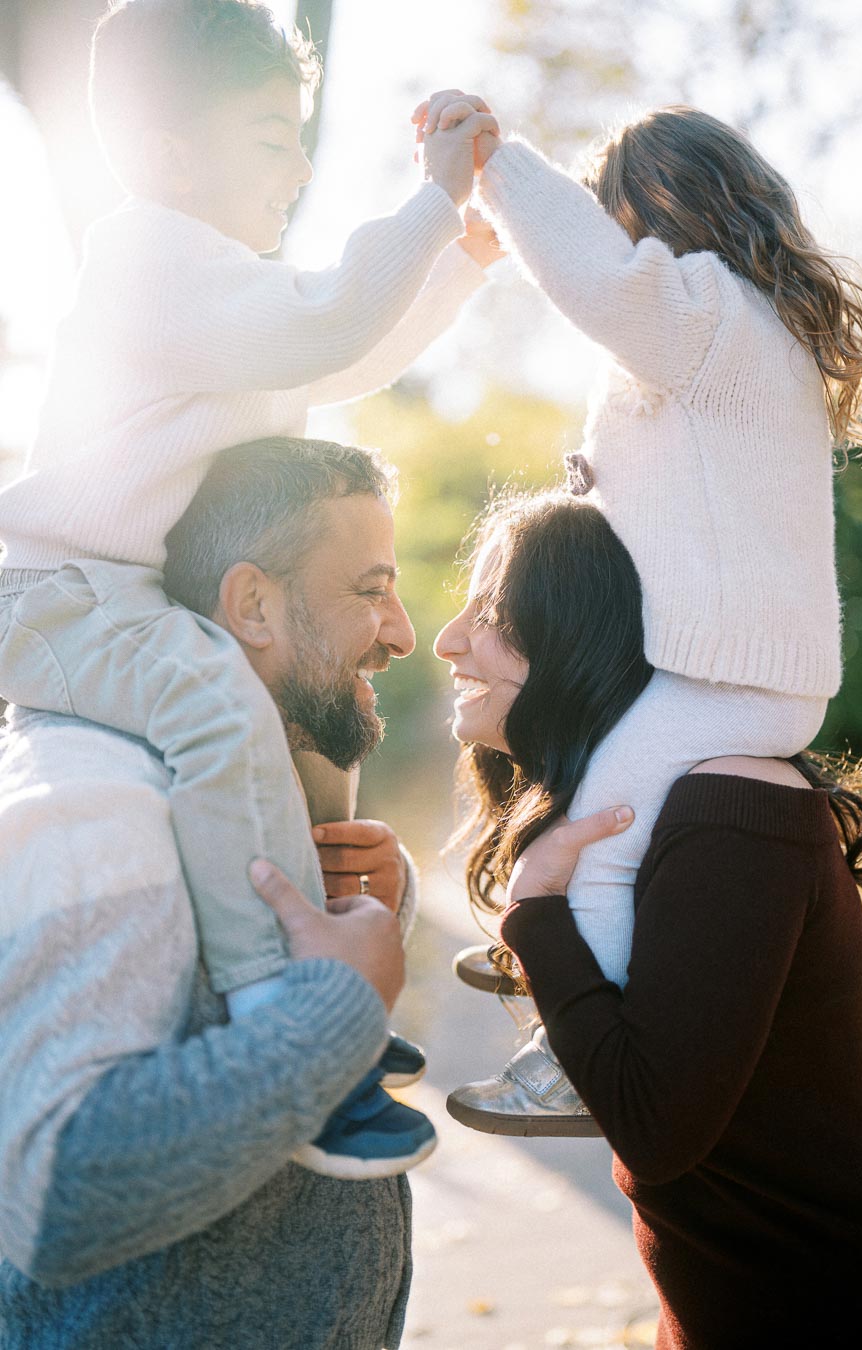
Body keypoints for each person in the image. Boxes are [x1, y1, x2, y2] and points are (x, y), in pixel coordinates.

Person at [0, 1, 500, 1178]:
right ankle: (283, 1019)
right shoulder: (150, 258)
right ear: (175, 152)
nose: (301, 164)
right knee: (217, 697)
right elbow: (326, 320)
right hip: (57, 595)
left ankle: (322, 968)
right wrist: (430, 200)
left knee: (306, 719)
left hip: (114, 588)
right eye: (272, 137)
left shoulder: (222, 286)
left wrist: (458, 265)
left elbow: (342, 348)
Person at [415, 92, 862, 1122]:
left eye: (611, 213)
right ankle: (581, 954)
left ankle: (573, 1040)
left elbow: (593, 282)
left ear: (658, 210)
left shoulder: (712, 314)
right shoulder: (728, 336)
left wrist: (499, 164)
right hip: (727, 671)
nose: (604, 238)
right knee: (598, 799)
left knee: (605, 820)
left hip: (732, 679)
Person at [433, 488, 862, 1346]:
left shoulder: (731, 808)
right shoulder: (681, 808)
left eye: (492, 612)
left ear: (585, 631)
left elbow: (655, 1127)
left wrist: (537, 915)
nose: (447, 640)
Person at [0, 435, 431, 1349]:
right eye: (370, 590)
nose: (403, 632)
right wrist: (337, 1010)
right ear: (253, 604)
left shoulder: (240, 781)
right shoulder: (95, 809)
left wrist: (368, 911)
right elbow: (57, 1193)